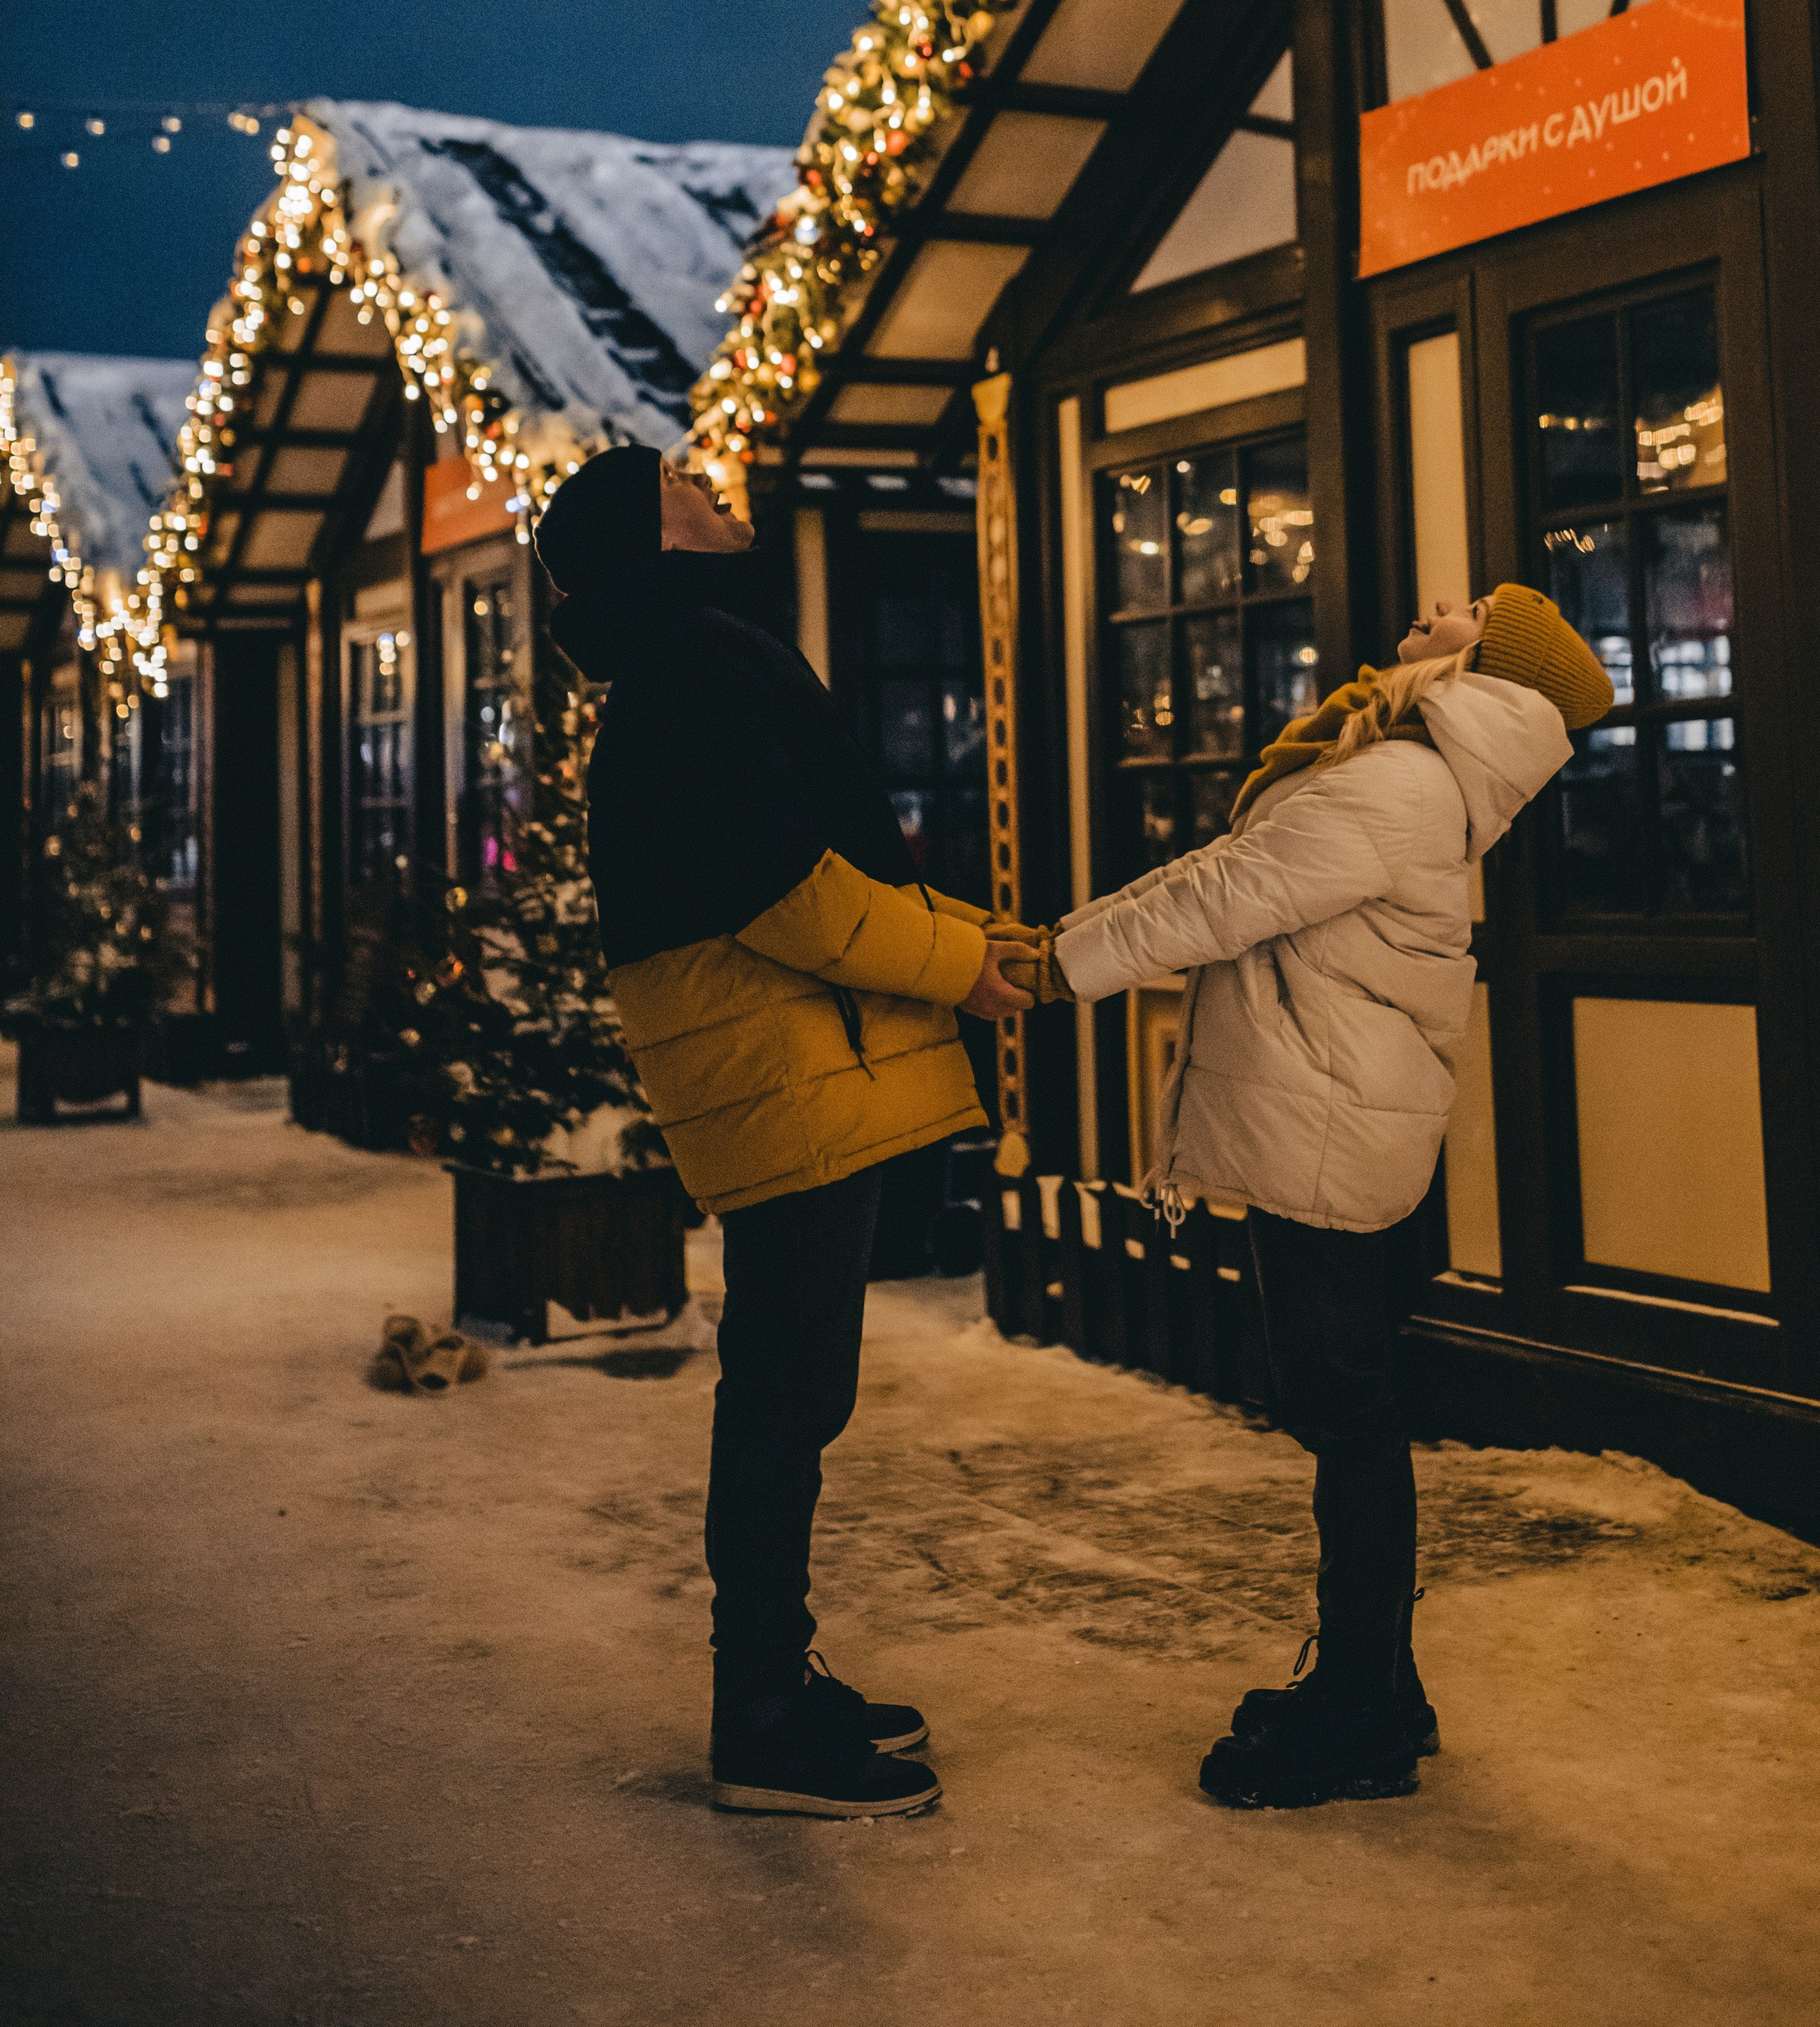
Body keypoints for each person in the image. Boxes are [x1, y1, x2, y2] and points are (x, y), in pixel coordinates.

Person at [1040, 582, 1613, 1812]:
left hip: (1324, 1122)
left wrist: (1052, 964)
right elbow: (1234, 872)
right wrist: (1068, 941)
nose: (1438, 602)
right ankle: (1380, 1687)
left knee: (1342, 1409)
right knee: (1349, 1406)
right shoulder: (1408, 769)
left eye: (1471, 611)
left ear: (1485, 670)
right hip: (1331, 1110)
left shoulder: (1401, 784)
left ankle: (1359, 1709)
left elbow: (1221, 897)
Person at [534, 442, 1032, 1821]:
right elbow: (791, 893)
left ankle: (777, 1675)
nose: (710, 480)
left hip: (791, 1066)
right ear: (657, 539)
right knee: (781, 1397)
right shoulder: (702, 662)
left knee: (791, 1393)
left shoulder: (683, 663)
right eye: (681, 480)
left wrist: (944, 947)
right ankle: (758, 1713)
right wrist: (965, 958)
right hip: (792, 1066)